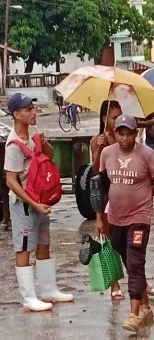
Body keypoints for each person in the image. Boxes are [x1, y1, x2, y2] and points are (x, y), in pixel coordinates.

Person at [97, 115, 154, 334]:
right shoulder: (107, 153)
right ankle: (146, 307)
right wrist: (100, 217)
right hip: (115, 218)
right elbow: (101, 187)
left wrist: (145, 195)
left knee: (136, 260)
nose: (125, 138)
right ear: (115, 133)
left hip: (139, 217)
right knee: (129, 261)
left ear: (136, 133)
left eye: (129, 133)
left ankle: (134, 313)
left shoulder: (147, 154)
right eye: (121, 133)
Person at [4, 93, 74, 312]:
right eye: (28, 109)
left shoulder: (32, 132)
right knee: (24, 247)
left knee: (44, 242)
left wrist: (43, 143)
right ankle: (29, 297)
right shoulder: (13, 144)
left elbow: (49, 155)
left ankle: (48, 289)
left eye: (34, 108)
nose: (34, 112)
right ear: (16, 114)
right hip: (24, 203)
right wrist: (32, 204)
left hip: (40, 199)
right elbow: (11, 180)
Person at [91, 101, 154, 300]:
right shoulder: (99, 141)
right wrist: (99, 149)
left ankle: (140, 285)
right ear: (105, 119)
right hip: (108, 200)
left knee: (134, 252)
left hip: (134, 208)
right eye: (114, 117)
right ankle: (115, 283)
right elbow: (97, 173)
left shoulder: (135, 145)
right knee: (113, 246)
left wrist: (143, 193)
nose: (118, 120)